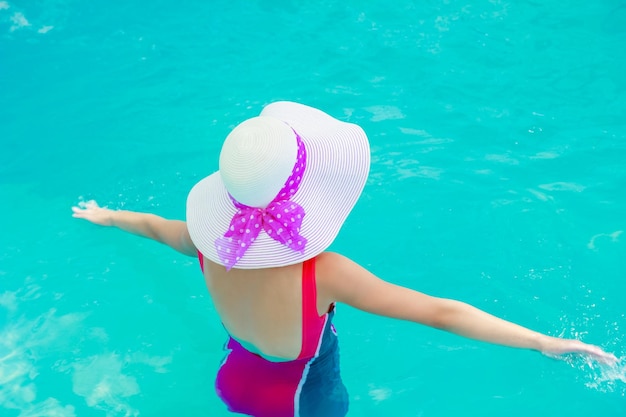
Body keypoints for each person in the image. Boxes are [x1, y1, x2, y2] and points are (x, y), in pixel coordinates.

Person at [72, 101, 616, 417]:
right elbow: (438, 312)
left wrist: (105, 216)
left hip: (234, 378)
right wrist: (544, 341)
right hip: (302, 402)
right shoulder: (322, 274)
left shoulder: (204, 240)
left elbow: (148, 226)